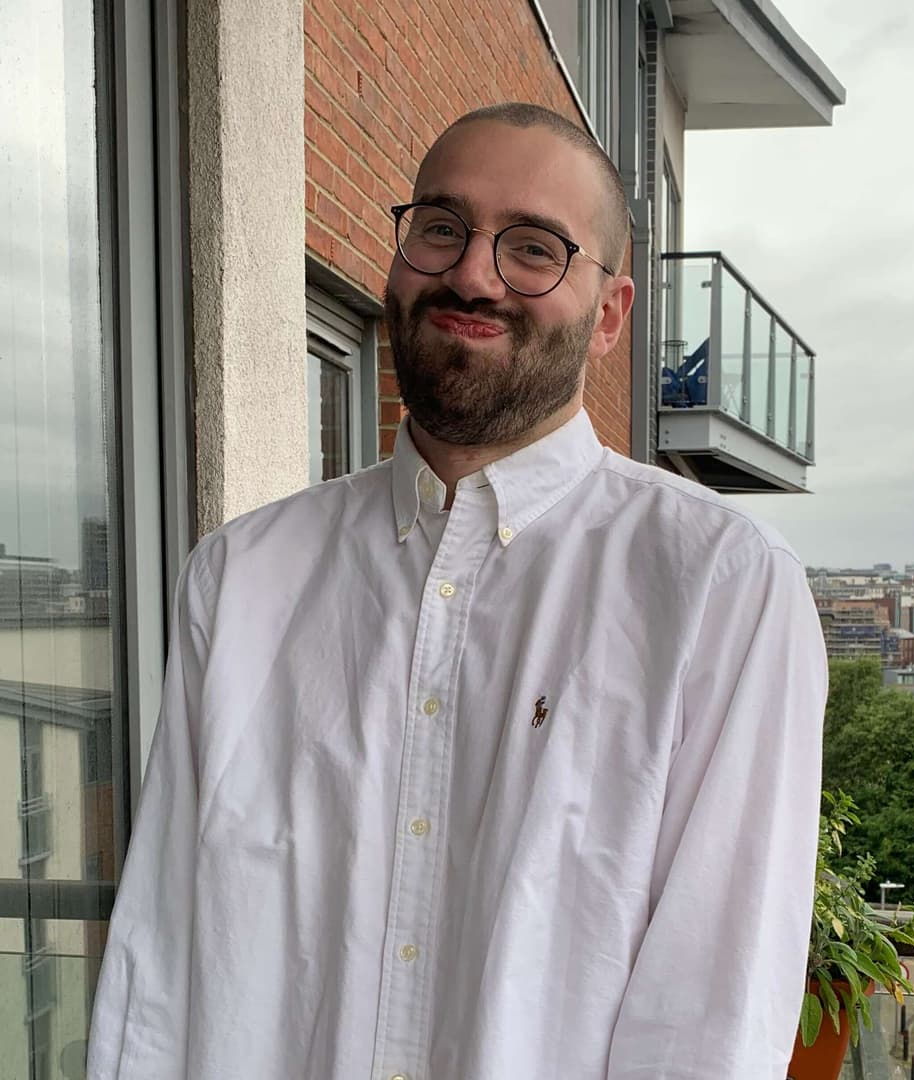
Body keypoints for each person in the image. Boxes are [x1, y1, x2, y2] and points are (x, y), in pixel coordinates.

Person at [87, 102, 827, 1080]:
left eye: (535, 248)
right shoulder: (240, 579)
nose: (474, 274)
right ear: (399, 264)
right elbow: (164, 955)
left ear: (610, 315)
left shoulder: (717, 590)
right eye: (442, 228)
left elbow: (711, 1012)